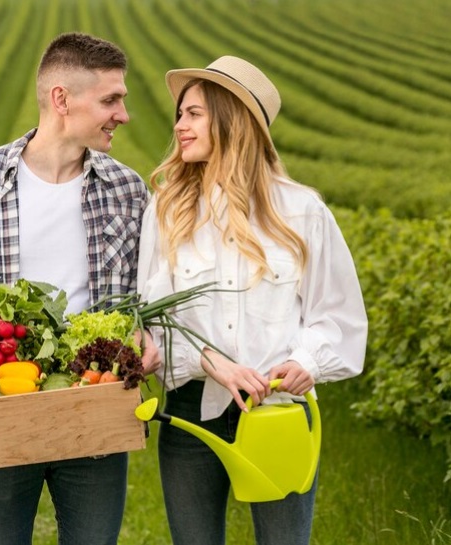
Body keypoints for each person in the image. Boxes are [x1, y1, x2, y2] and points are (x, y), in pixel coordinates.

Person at [0, 32, 160, 545]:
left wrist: (147, 338)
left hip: (94, 410)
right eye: (110, 100)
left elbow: (145, 297)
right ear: (61, 99)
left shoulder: (128, 190)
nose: (123, 114)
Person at [137, 56, 368, 544]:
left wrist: (307, 361)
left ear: (232, 117)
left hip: (280, 411)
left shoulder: (302, 212)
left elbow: (339, 316)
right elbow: (151, 323)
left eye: (193, 113)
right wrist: (212, 361)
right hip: (191, 413)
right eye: (179, 114)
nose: (178, 125)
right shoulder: (167, 210)